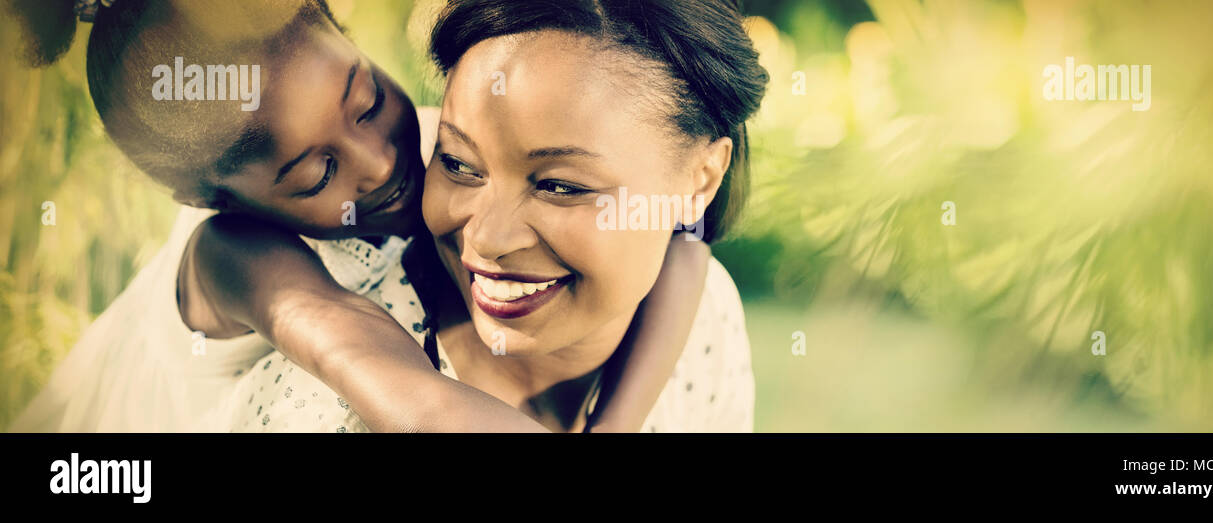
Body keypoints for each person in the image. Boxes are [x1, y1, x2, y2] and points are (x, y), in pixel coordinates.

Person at [7, 0, 709, 432]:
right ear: (214, 199)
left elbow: (685, 245)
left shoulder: (455, 151)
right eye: (316, 171)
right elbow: (411, 398)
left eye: (367, 101)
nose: (377, 162)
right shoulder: (233, 257)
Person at [230, 0, 768, 432]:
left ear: (700, 179)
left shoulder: (706, 320)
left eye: (560, 186)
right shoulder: (324, 409)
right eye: (460, 165)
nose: (486, 238)